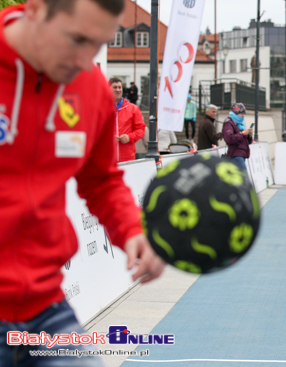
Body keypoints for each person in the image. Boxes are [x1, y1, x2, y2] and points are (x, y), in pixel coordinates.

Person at [0, 1, 165, 366]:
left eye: (98, 44)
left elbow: (102, 181)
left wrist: (132, 231)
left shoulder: (90, 88)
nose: (84, 59)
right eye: (77, 39)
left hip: (44, 306)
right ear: (37, 10)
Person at [109, 77, 146, 162]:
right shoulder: (101, 109)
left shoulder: (133, 108)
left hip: (127, 158)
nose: (118, 90)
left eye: (119, 87)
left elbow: (141, 129)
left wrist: (129, 137)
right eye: (115, 87)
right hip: (107, 158)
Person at [223, 102, 253, 172]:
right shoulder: (229, 123)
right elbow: (229, 138)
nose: (243, 116)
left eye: (244, 114)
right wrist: (243, 133)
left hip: (241, 154)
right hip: (236, 155)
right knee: (244, 179)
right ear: (236, 113)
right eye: (241, 114)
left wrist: (249, 135)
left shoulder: (240, 124)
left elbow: (246, 141)